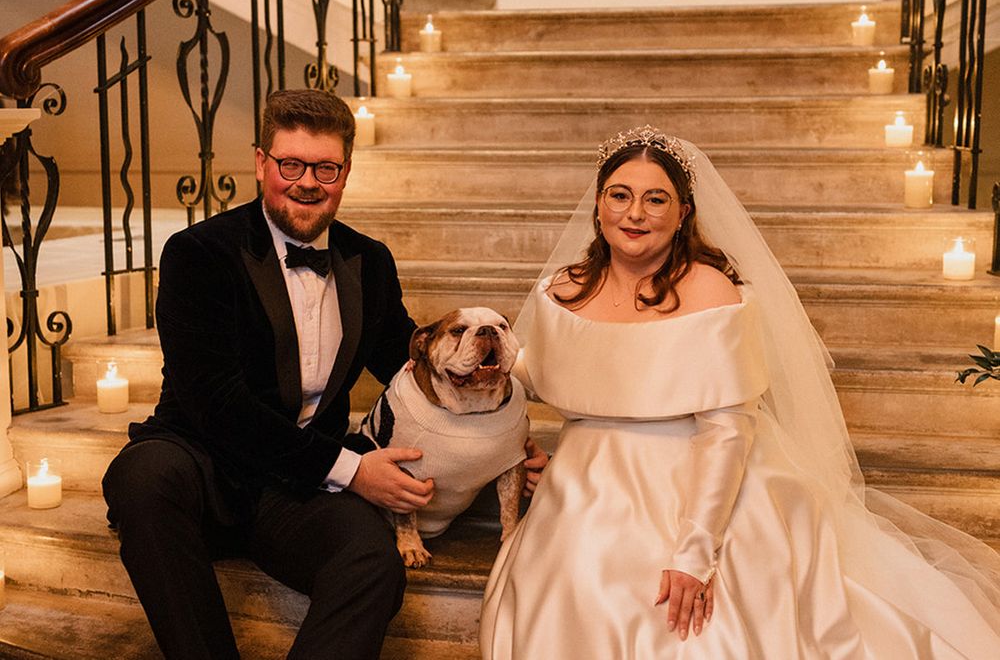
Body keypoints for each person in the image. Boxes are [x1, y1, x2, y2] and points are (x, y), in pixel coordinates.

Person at [480, 125, 1000, 659]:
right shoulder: (560, 290)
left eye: (655, 198)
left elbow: (727, 429)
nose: (634, 213)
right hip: (584, 478)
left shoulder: (710, 291)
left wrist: (694, 554)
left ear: (682, 212)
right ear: (598, 204)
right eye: (620, 195)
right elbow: (538, 374)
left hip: (697, 474)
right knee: (571, 583)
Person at [102, 89, 434, 660]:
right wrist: (350, 469)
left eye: (325, 167)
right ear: (261, 164)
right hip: (202, 463)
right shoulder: (198, 252)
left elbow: (410, 366)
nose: (308, 182)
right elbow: (212, 400)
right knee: (142, 478)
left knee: (373, 563)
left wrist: (498, 423)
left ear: (346, 172)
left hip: (295, 488)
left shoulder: (369, 260)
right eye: (291, 165)